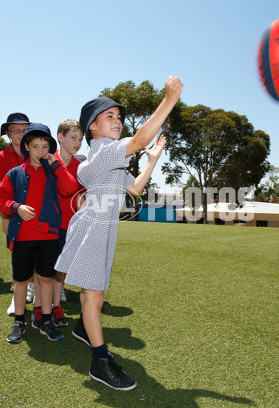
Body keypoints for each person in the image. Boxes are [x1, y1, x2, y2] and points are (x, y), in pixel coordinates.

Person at [54, 75, 183, 390]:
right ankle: (100, 361)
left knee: (93, 291)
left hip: (101, 226)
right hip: (94, 227)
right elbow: (139, 140)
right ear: (92, 128)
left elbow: (135, 189)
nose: (118, 121)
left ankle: (85, 328)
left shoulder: (109, 157)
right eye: (109, 116)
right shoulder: (104, 151)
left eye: (120, 118)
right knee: (94, 293)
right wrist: (169, 100)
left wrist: (151, 161)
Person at [0, 123, 79, 343]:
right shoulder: (14, 173)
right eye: (35, 146)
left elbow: (70, 189)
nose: (40, 151)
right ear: (27, 147)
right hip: (23, 237)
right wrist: (17, 207)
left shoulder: (54, 171)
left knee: (46, 278)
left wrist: (57, 166)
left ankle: (45, 319)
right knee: (21, 280)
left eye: (45, 147)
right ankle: (19, 321)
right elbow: (2, 200)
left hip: (49, 237)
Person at [0, 113, 35, 313]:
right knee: (18, 255)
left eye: (25, 130)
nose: (21, 134)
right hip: (14, 215)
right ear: (8, 133)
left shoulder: (36, 150)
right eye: (17, 130)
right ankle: (19, 293)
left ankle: (36, 289)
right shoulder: (1, 157)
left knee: (40, 254)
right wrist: (4, 217)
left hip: (37, 213)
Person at [47, 119, 86, 328]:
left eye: (80, 139)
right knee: (44, 268)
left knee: (61, 269)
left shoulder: (81, 167)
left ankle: (56, 306)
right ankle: (41, 307)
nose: (78, 142)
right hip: (47, 224)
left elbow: (81, 196)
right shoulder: (46, 161)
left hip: (69, 226)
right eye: (73, 138)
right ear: (60, 138)